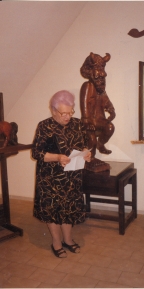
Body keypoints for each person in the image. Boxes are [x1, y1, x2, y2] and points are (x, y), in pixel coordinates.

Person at [32, 90, 91, 258]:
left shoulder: (78, 124)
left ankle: (68, 239)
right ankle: (56, 242)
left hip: (72, 176)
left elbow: (83, 146)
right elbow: (36, 153)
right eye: (63, 113)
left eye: (70, 112)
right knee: (53, 209)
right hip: (50, 177)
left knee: (69, 208)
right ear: (53, 111)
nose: (67, 117)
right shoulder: (44, 126)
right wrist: (57, 157)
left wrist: (86, 154)